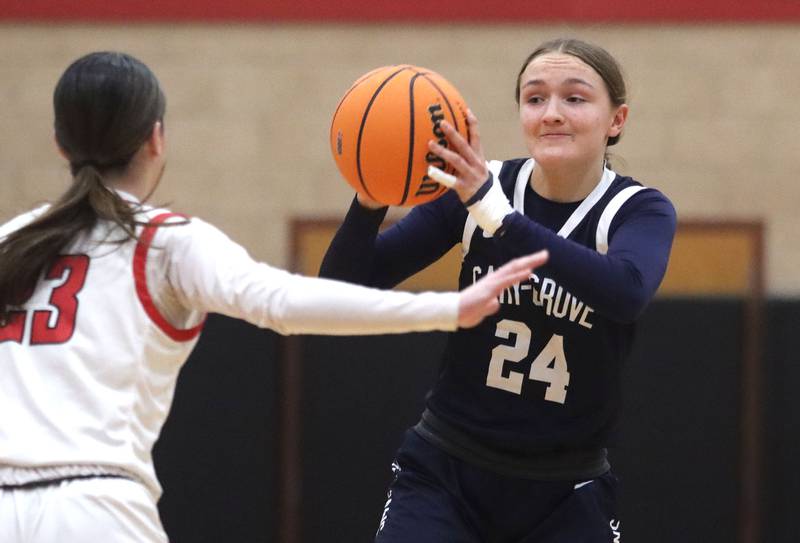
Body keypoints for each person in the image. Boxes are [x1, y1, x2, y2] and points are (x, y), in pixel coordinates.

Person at [0, 51, 549, 543]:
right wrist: (450, 308)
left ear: (59, 143)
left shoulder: (11, 241)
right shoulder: (165, 242)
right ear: (156, 138)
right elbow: (286, 303)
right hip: (92, 506)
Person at [320, 38, 677, 542]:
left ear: (615, 120)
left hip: (565, 488)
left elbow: (626, 292)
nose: (551, 112)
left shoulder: (637, 210)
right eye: (535, 99)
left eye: (574, 98)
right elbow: (342, 291)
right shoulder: (483, 188)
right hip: (448, 470)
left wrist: (498, 217)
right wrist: (369, 196)